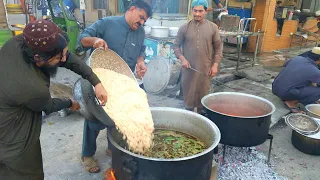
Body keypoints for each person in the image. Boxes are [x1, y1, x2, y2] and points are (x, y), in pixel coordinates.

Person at [0, 20, 108, 179]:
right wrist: (71, 103)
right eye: (59, 56)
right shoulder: (32, 88)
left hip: (9, 99)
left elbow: (68, 58)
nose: (64, 59)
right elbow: (48, 106)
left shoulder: (22, 41)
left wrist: (96, 82)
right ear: (40, 59)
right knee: (26, 172)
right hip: (12, 133)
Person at [78, 0, 152, 173]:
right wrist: (95, 40)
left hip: (123, 82)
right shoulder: (107, 23)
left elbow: (141, 49)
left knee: (119, 116)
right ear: (132, 9)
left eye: (144, 21)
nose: (141, 23)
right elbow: (82, 38)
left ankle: (113, 146)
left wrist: (141, 61)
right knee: (94, 118)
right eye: (140, 18)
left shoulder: (140, 32)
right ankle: (87, 155)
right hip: (99, 80)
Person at [173, 0, 223, 114]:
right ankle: (189, 118)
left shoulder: (213, 28)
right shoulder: (184, 28)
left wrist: (215, 65)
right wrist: (183, 59)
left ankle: (200, 118)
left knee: (203, 99)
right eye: (195, 11)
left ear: (206, 11)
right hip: (188, 70)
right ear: (192, 11)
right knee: (188, 101)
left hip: (205, 70)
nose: (197, 14)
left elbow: (218, 48)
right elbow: (176, 46)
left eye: (200, 11)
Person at [272, 47, 320, 113]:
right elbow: (316, 84)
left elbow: (285, 65)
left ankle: (290, 95)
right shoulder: (315, 71)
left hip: (274, 87)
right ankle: (291, 102)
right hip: (285, 93)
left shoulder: (297, 58)